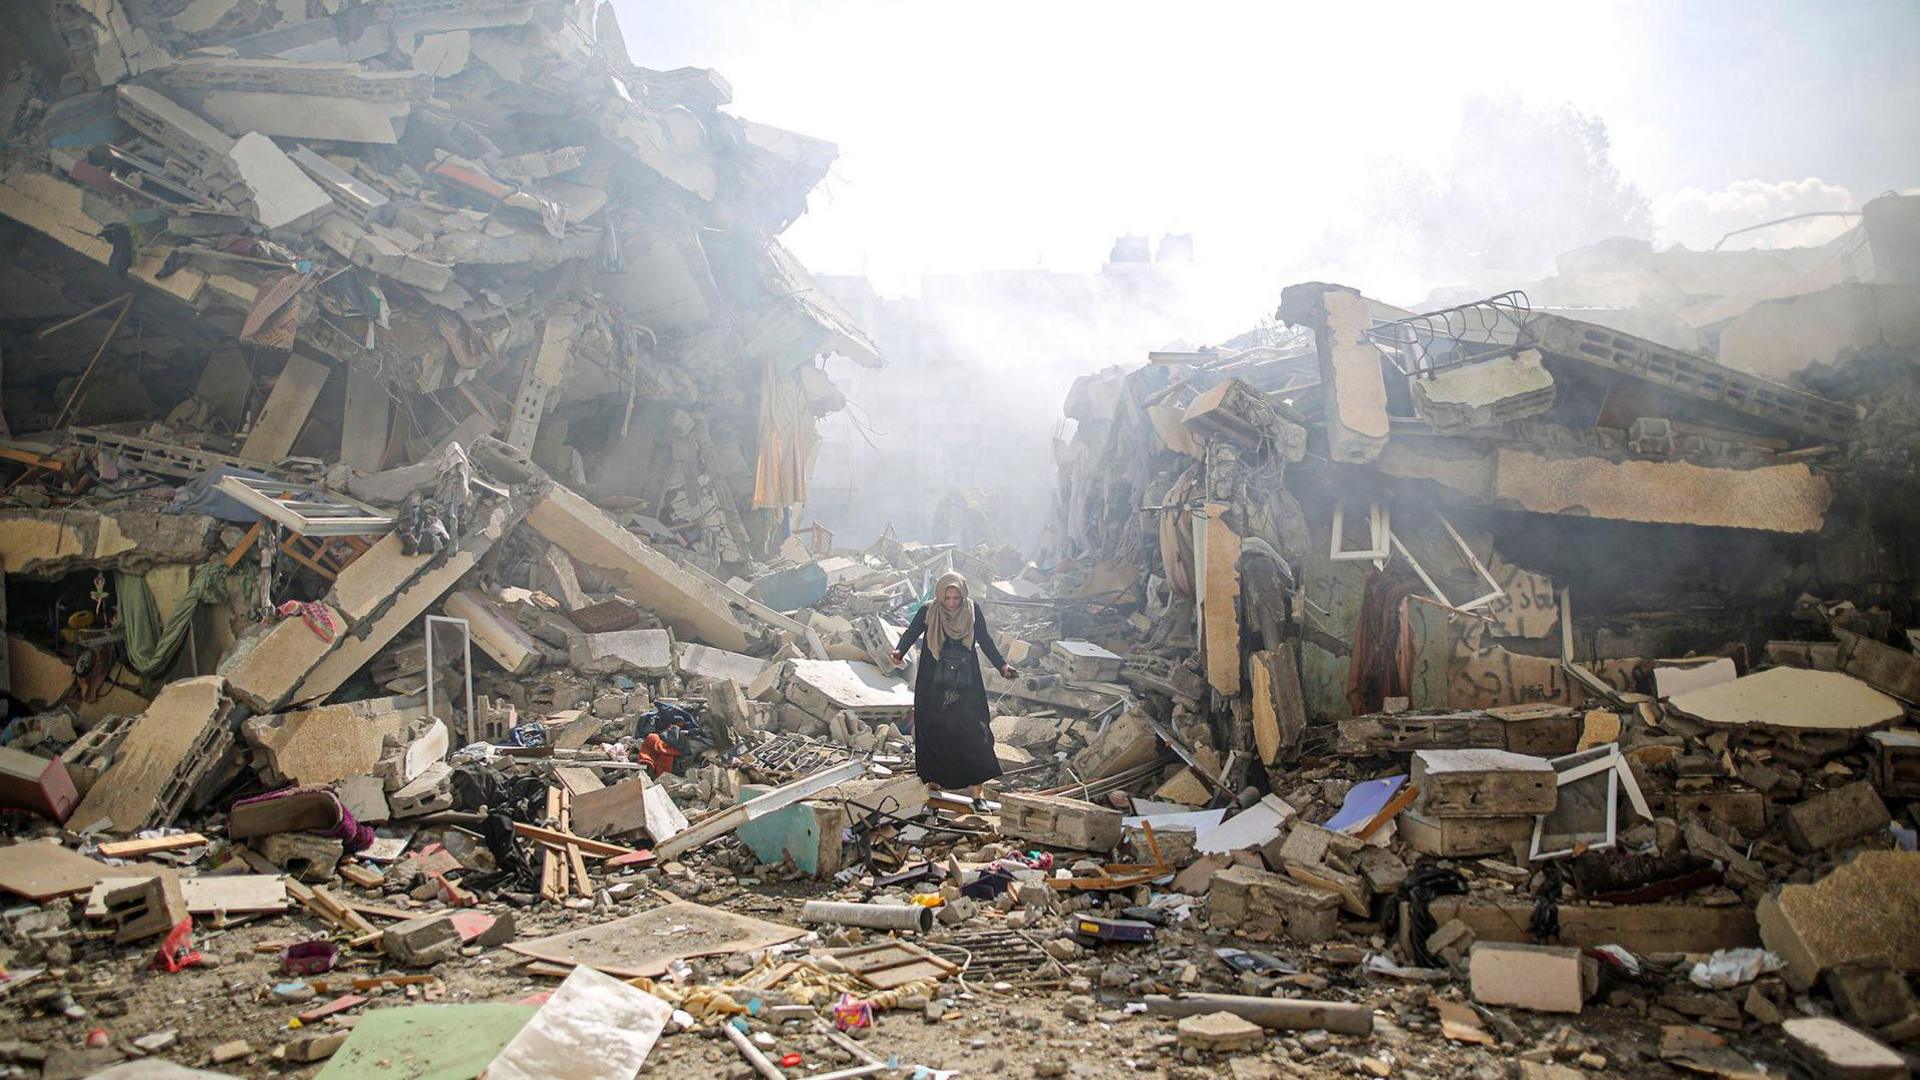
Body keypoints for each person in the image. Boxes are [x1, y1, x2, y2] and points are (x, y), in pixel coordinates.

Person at [889, 571, 1014, 811]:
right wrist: (899, 652)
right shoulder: (928, 611)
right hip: (933, 683)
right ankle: (933, 793)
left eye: (956, 598)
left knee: (973, 734)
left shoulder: (973, 611)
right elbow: (911, 634)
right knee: (933, 733)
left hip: (965, 684)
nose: (952, 603)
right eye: (947, 598)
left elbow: (985, 640)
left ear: (963, 594)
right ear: (940, 596)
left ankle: (978, 796)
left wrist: (1002, 665)